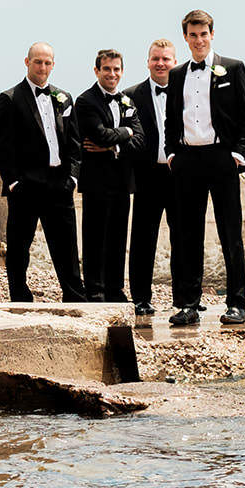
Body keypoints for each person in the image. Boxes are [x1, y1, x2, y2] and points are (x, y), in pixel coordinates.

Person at [164, 9, 245, 326]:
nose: (199, 40)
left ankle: (237, 304)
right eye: (193, 34)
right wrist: (172, 153)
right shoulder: (177, 75)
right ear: (185, 37)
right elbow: (172, 119)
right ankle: (189, 303)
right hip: (187, 159)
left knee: (230, 233)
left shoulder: (233, 68)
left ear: (212, 35)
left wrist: (238, 153)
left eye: (204, 34)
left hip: (221, 157)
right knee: (188, 234)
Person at [0, 42, 85, 303]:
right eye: (38, 62)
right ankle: (20, 299)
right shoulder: (10, 99)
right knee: (20, 248)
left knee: (66, 247)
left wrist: (73, 178)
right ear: (27, 62)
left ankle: (75, 298)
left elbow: (74, 143)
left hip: (60, 185)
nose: (42, 67)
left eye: (47, 63)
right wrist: (13, 183)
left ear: (53, 65)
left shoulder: (64, 97)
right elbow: (3, 146)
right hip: (26, 186)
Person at [75, 49, 146, 302]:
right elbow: (98, 135)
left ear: (122, 71)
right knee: (95, 238)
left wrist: (114, 146)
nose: (112, 74)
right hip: (96, 181)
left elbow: (141, 141)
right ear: (97, 71)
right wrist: (125, 133)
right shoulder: (85, 101)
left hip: (122, 181)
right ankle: (94, 290)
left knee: (118, 238)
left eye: (116, 69)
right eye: (107, 69)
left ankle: (115, 290)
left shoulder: (127, 101)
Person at [123, 38, 177, 317]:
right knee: (143, 240)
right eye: (156, 58)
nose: (160, 63)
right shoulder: (131, 95)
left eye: (166, 59)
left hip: (180, 176)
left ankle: (185, 298)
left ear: (174, 62)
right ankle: (141, 298)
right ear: (148, 62)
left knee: (184, 238)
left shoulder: (186, 92)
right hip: (147, 177)